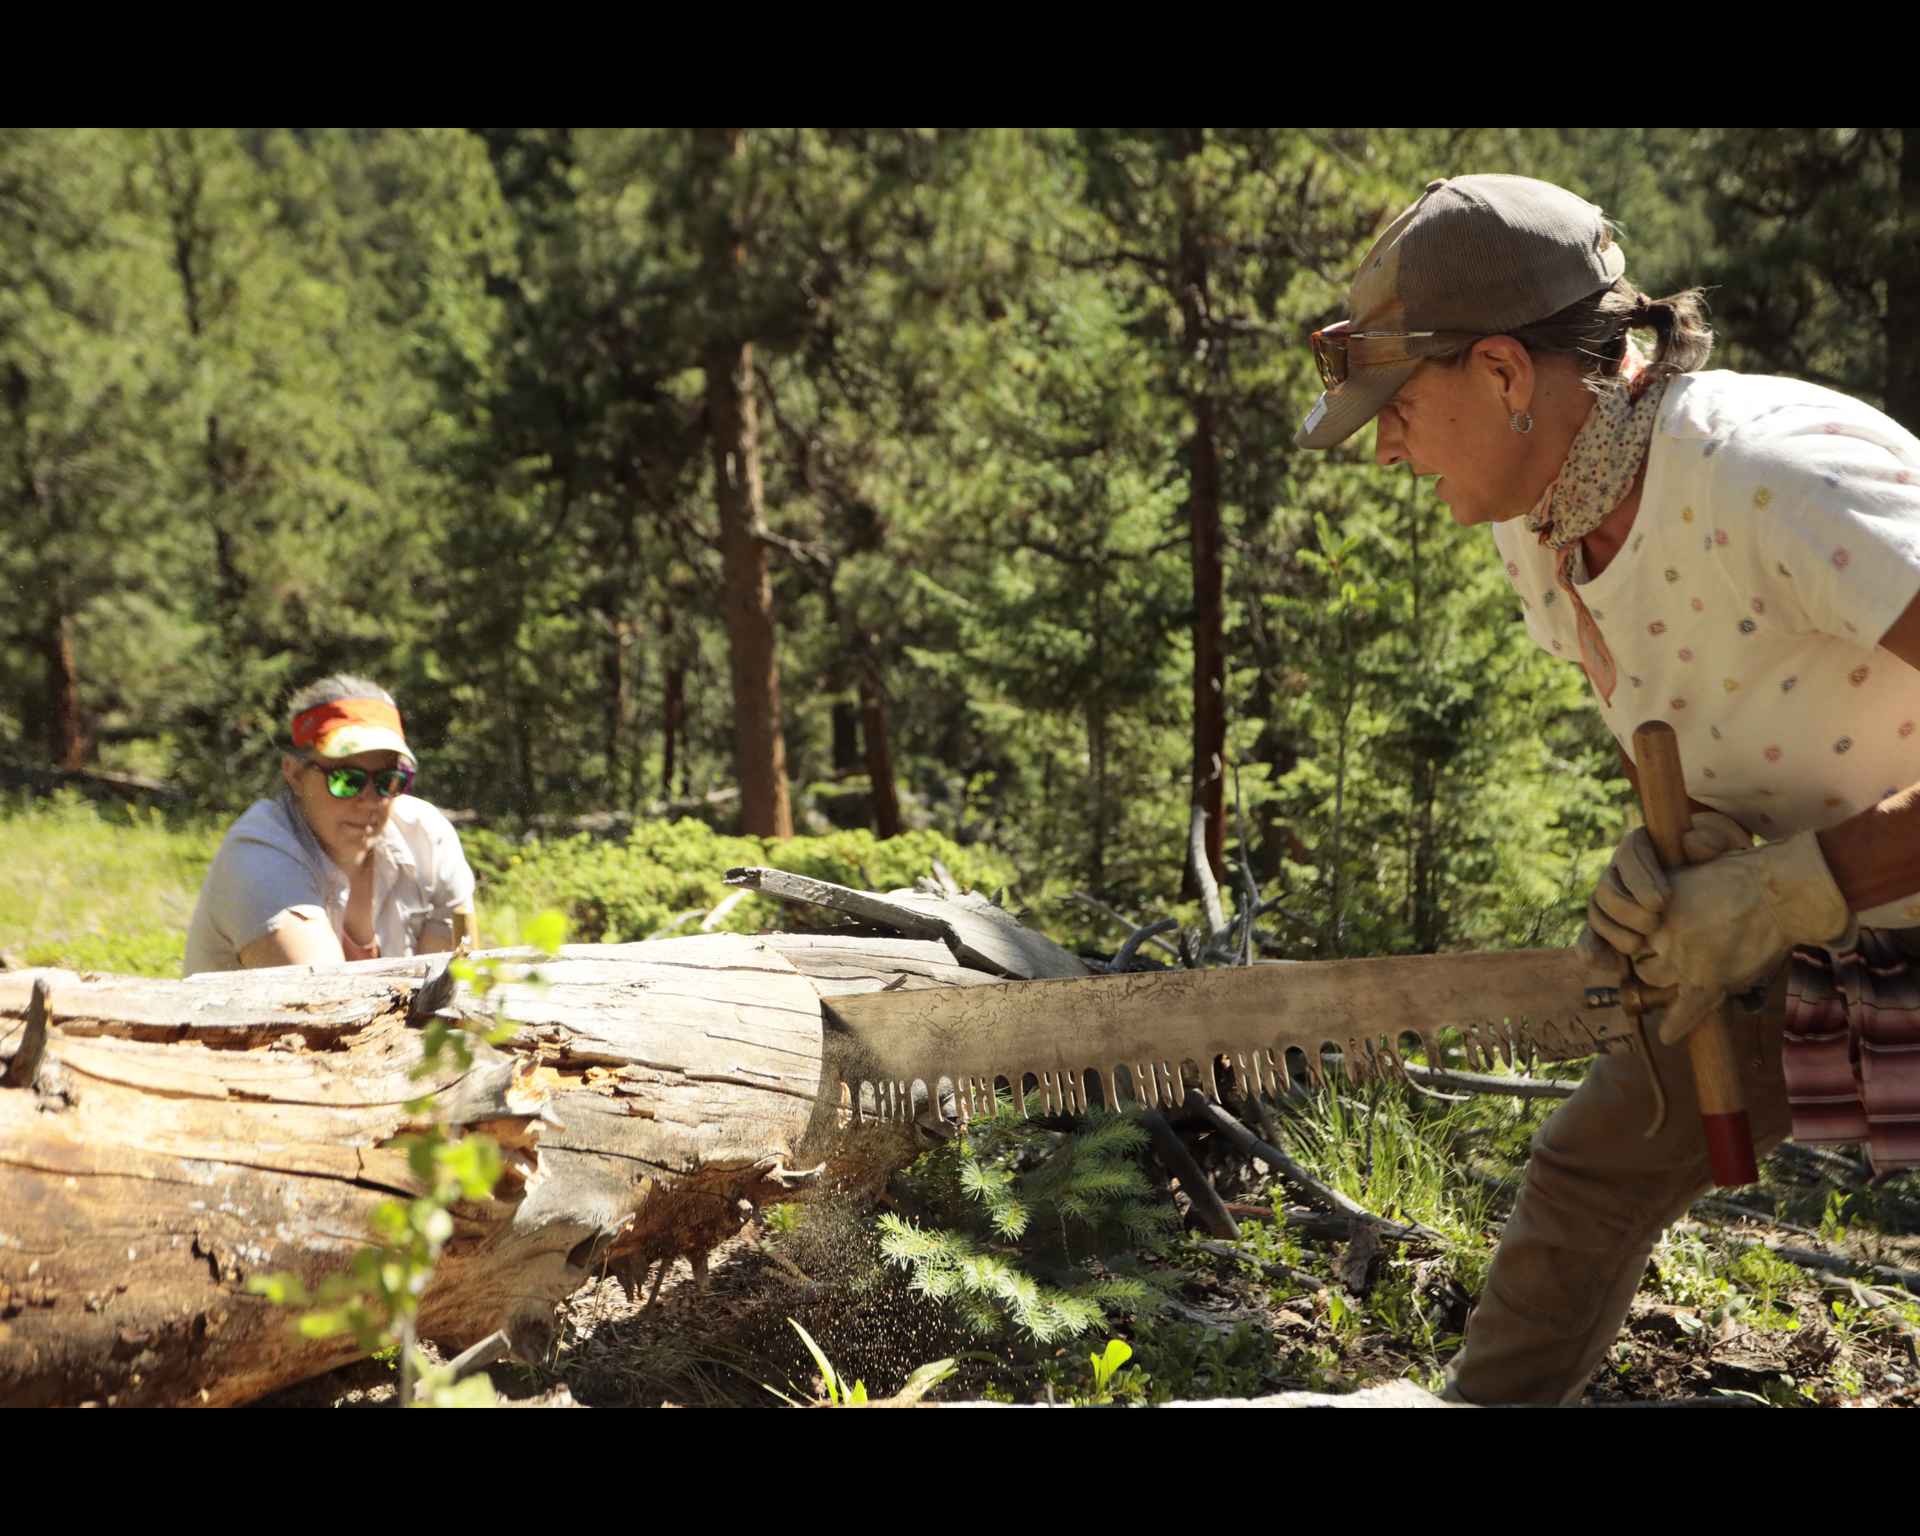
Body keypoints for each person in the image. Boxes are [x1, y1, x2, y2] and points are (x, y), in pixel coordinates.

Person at [1294, 173, 1920, 1404]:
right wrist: (1688, 860)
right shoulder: (1541, 521)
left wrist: (1799, 885)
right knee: (1602, 1165)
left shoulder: (1777, 478)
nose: (1384, 444)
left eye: (1401, 404)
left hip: (1850, 889)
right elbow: (1725, 705)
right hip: (1816, 916)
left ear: (1504, 374)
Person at [184, 676, 477, 975]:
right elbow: (322, 1004)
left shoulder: (428, 840)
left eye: (389, 779)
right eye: (345, 780)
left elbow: (451, 995)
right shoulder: (258, 859)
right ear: (294, 773)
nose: (370, 800)